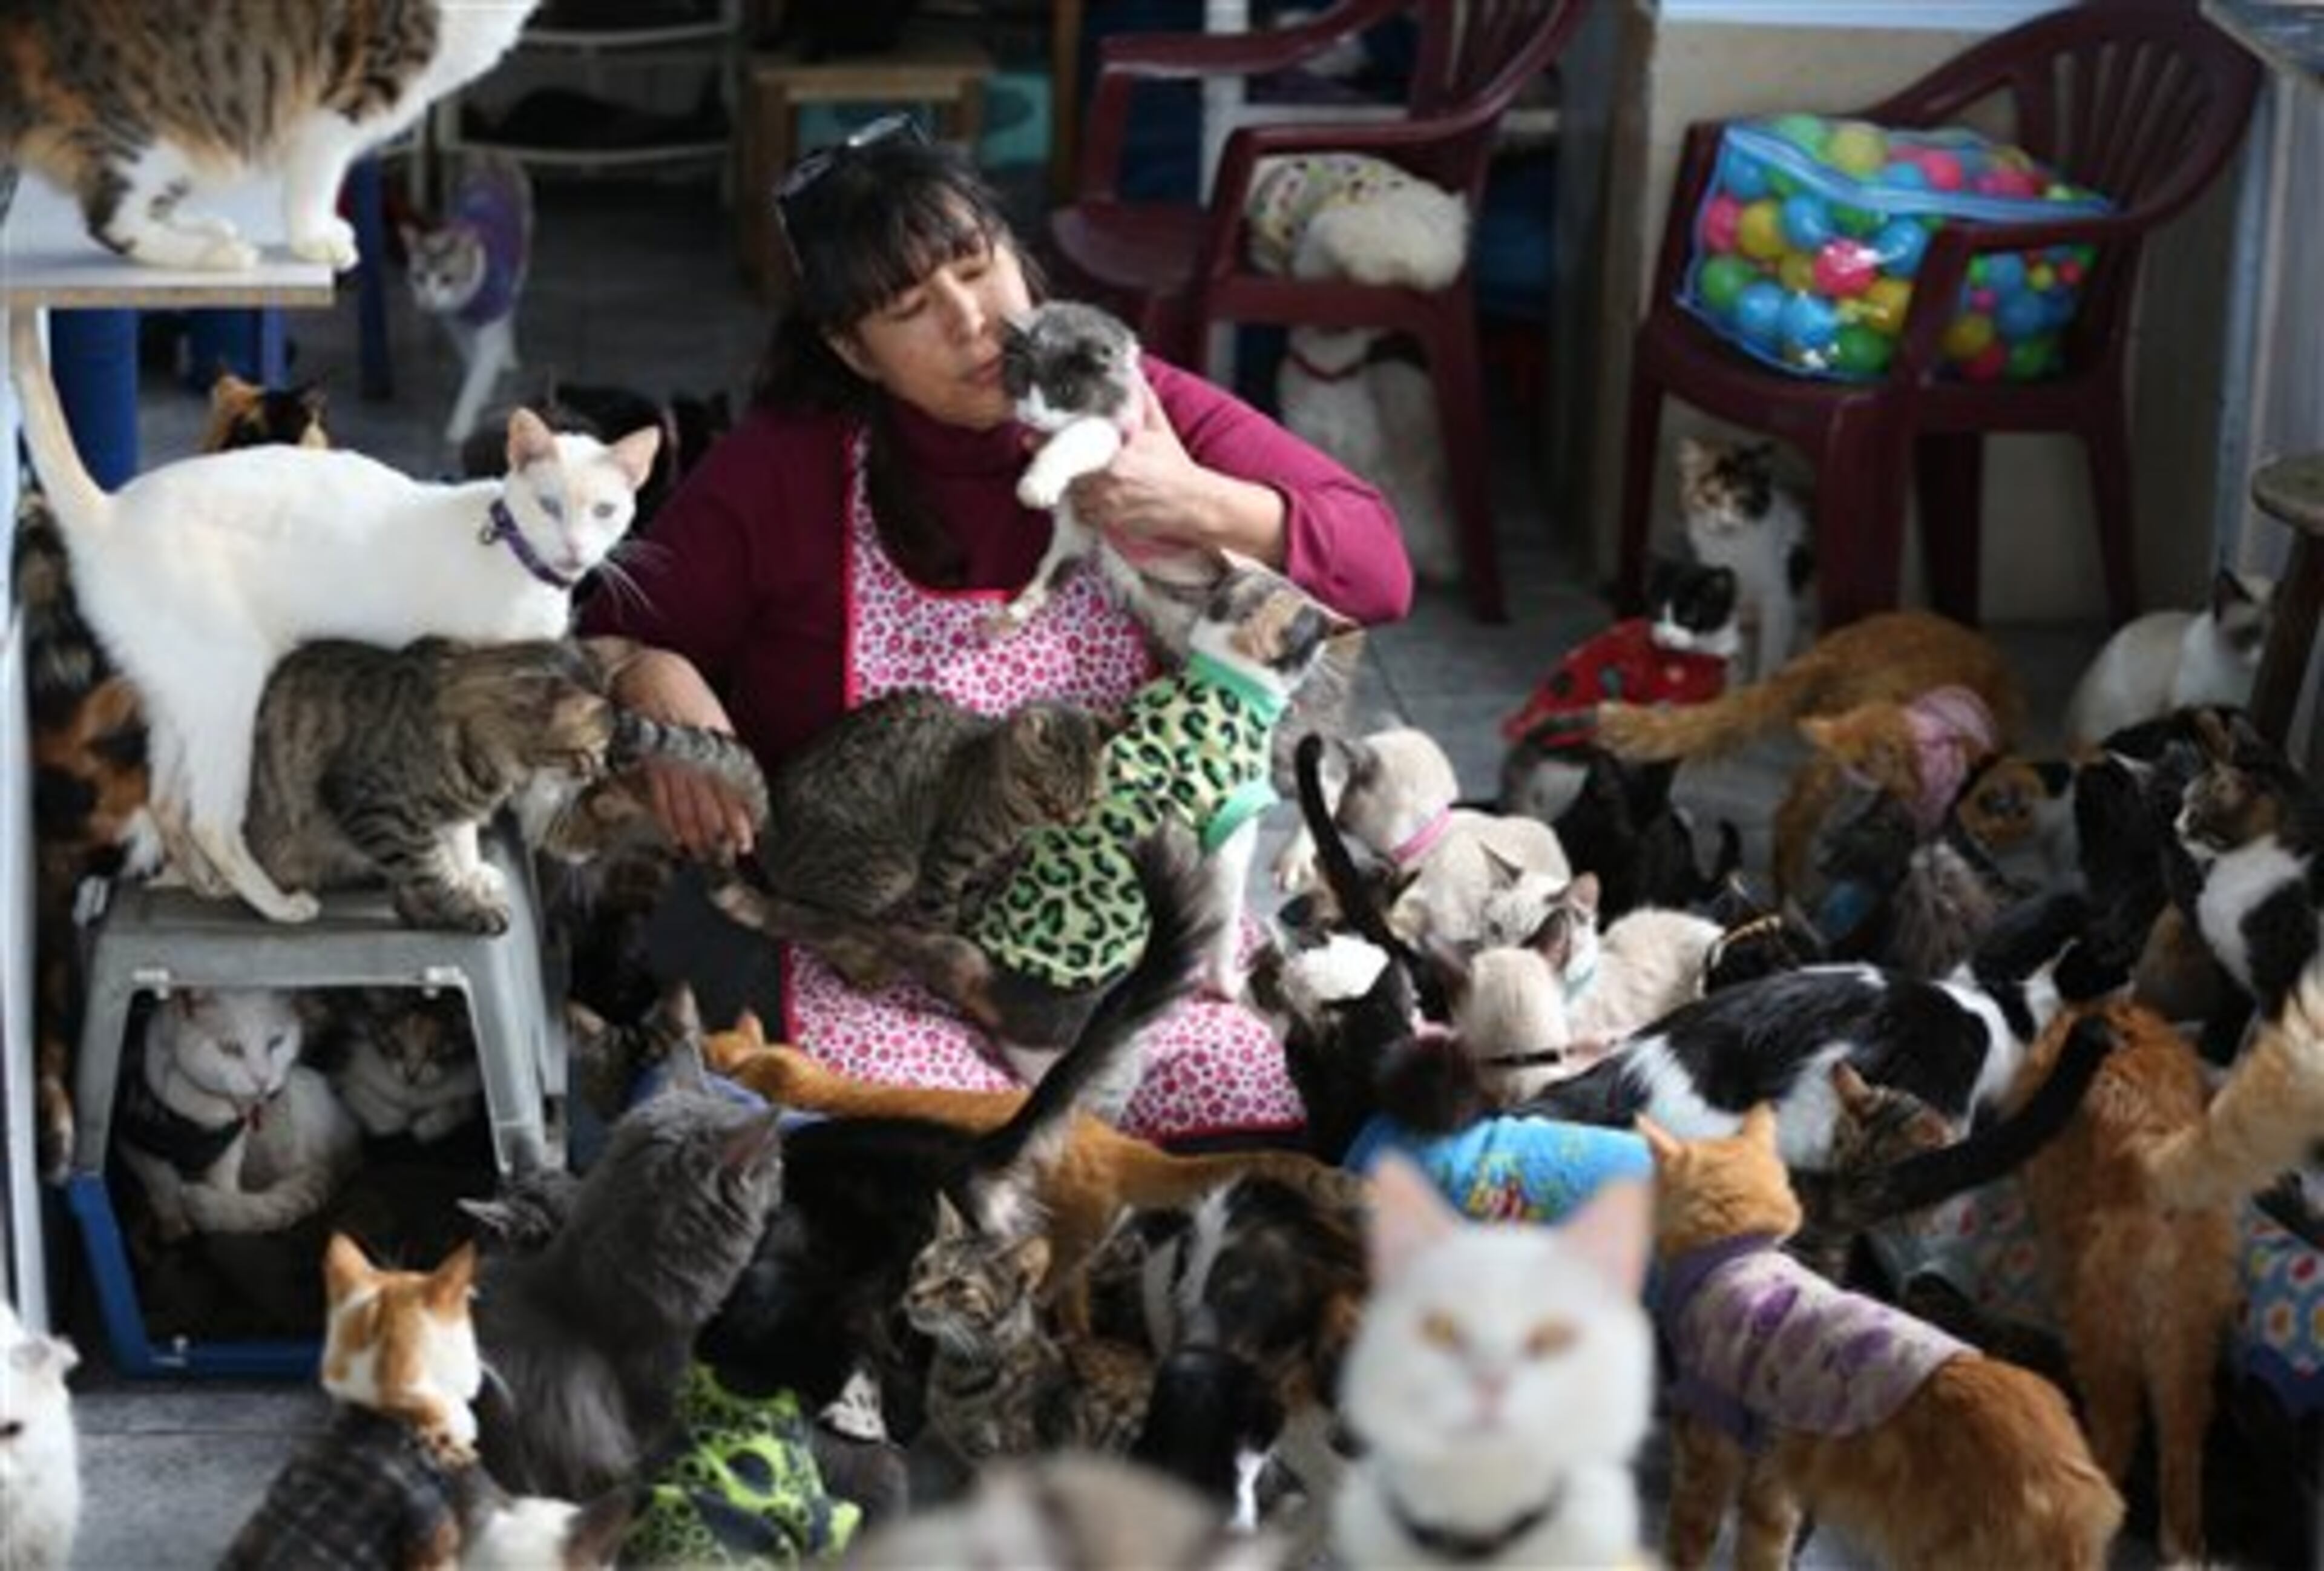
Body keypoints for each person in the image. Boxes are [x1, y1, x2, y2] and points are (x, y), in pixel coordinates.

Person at [585, 116, 1413, 1143]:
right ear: (851, 349)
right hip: (877, 961)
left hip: (1120, 949)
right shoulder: (782, 469)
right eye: (910, 309)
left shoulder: (1137, 408)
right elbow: (597, 639)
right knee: (934, 1161)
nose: (973, 321)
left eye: (980, 268)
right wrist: (652, 670)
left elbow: (1378, 566)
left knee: (1269, 1113)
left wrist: (1194, 499)